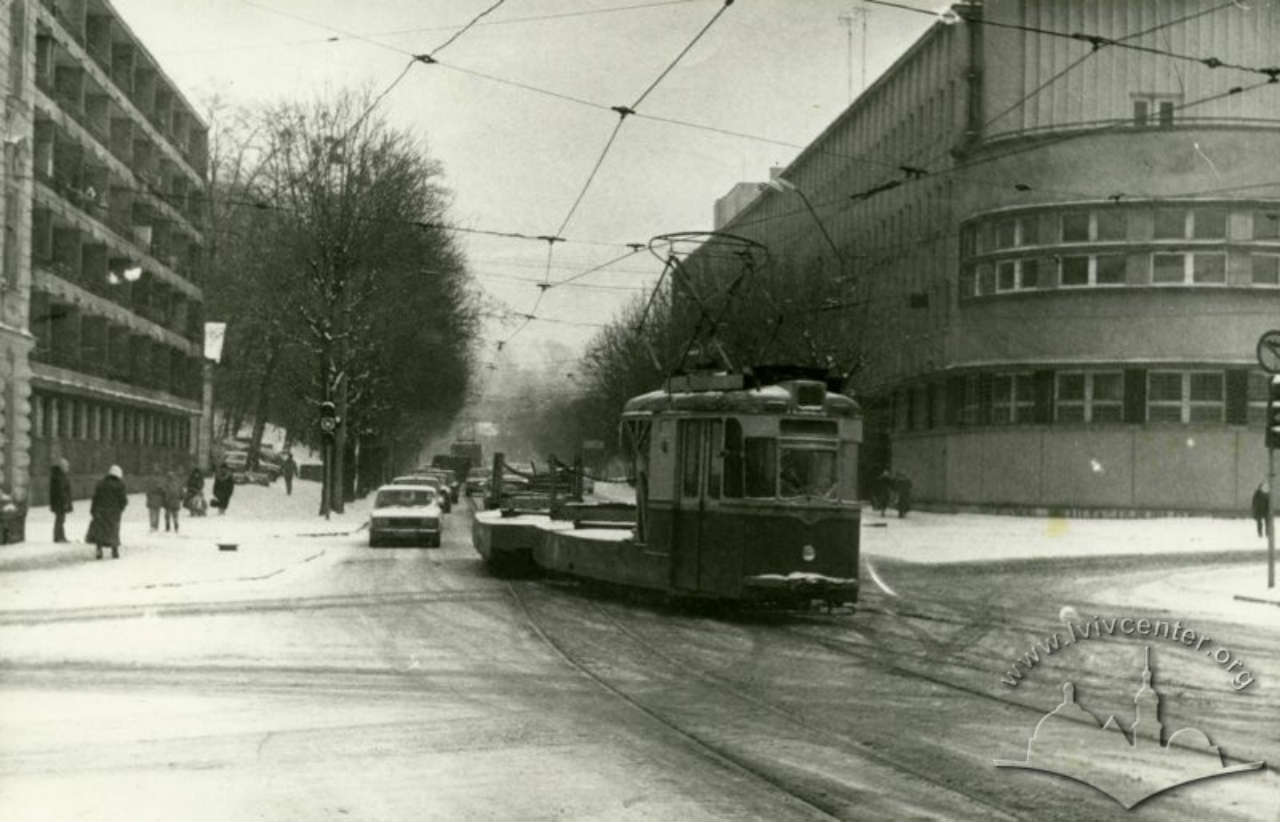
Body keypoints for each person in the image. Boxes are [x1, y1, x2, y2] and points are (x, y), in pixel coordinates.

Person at [87, 465, 127, 560]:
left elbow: (95, 498)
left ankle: (99, 550)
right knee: (114, 531)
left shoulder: (101, 484)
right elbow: (123, 500)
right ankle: (114, 550)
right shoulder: (120, 485)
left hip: (100, 511)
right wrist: (120, 508)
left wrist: (93, 510)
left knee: (100, 531)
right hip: (114, 512)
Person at [49, 457, 73, 543]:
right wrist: (65, 502)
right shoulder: (60, 477)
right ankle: (59, 537)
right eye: (66, 466)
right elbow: (62, 491)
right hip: (60, 502)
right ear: (62, 467)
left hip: (58, 502)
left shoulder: (58, 476)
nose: (68, 468)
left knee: (60, 519)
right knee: (60, 520)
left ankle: (59, 536)